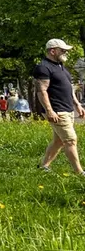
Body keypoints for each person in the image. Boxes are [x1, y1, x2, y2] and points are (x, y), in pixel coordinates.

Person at [36, 39, 85, 175]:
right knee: (70, 140)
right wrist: (50, 111)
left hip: (68, 109)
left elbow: (69, 88)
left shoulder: (61, 66)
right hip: (57, 110)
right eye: (62, 50)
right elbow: (42, 91)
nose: (65, 53)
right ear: (53, 51)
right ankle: (79, 172)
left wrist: (77, 105)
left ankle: (44, 166)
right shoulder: (43, 67)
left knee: (59, 141)